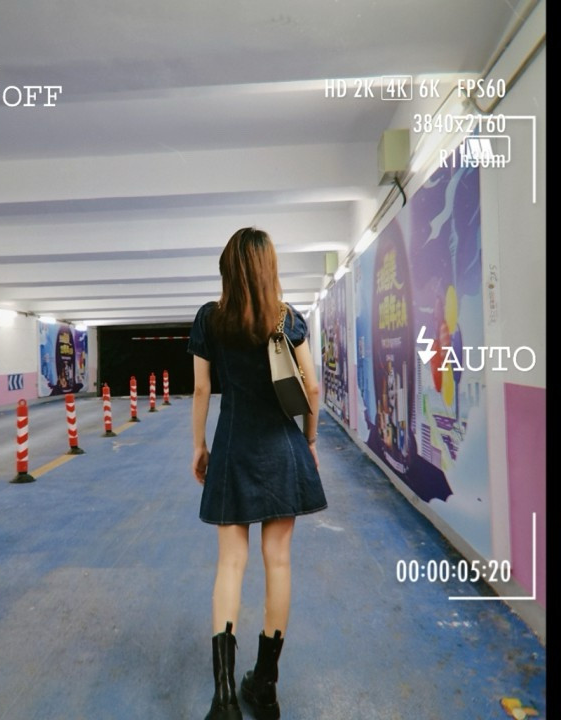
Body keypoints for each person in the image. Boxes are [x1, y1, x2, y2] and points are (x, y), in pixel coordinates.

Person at [188, 227, 328, 720]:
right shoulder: (287, 319)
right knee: (279, 563)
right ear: (270, 268)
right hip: (281, 449)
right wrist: (309, 441)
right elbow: (312, 388)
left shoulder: (211, 319)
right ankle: (265, 687)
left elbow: (201, 390)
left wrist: (199, 445)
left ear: (227, 269)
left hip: (232, 449)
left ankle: (225, 697)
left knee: (230, 564)